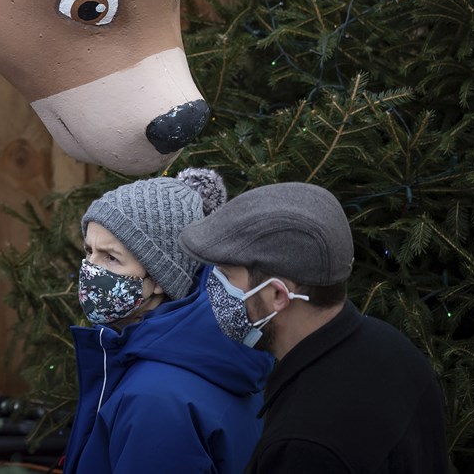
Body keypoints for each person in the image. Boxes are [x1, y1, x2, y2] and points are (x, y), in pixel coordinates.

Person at [178, 181, 449, 473]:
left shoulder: (304, 445)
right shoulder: (391, 346)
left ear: (278, 295)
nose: (213, 286)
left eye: (227, 275)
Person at [62, 168, 272, 474]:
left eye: (111, 258)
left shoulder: (155, 400)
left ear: (161, 277)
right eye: (89, 251)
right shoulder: (209, 349)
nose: (89, 270)